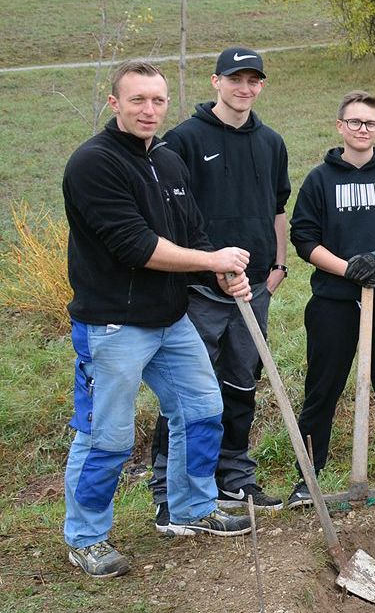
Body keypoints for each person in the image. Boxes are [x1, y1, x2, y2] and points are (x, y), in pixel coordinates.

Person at [61, 60, 253, 578]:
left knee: (202, 410)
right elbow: (136, 246)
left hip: (170, 319)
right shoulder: (93, 163)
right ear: (115, 103)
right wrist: (210, 260)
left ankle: (193, 507)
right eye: (138, 100)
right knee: (107, 435)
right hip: (112, 325)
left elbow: (192, 232)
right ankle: (86, 538)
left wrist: (219, 272)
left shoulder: (167, 160)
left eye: (158, 100)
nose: (149, 110)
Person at [148, 47, 291, 528]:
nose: (244, 88)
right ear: (216, 81)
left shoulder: (271, 142)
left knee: (241, 384)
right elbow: (169, 214)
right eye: (235, 79)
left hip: (253, 289)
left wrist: (278, 266)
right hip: (200, 292)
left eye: (253, 80)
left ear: (261, 85)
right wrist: (206, 268)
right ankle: (168, 489)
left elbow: (277, 209)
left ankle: (233, 476)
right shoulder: (183, 140)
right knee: (188, 390)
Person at [288, 90, 375, 507]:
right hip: (333, 301)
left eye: (370, 123)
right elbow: (303, 238)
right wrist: (346, 268)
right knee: (322, 388)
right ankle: (308, 477)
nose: (362, 129)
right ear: (340, 126)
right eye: (354, 122)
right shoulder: (320, 180)